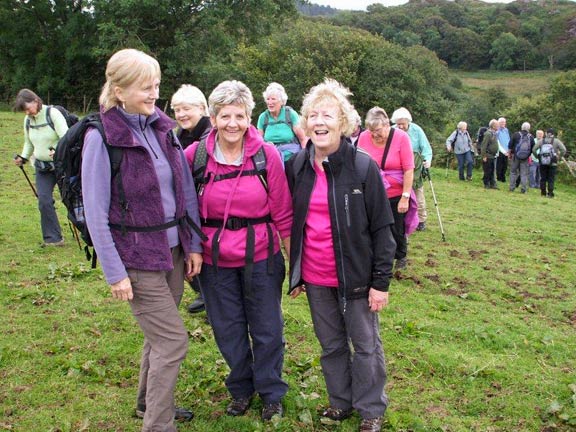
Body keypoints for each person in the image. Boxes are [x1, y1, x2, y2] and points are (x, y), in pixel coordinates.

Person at [81, 48, 203, 431]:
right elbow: (96, 211)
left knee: (157, 336)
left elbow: (184, 190)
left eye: (156, 86)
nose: (154, 94)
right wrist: (114, 273)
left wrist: (193, 245)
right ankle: (157, 424)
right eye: (144, 87)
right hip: (136, 258)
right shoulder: (101, 138)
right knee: (172, 341)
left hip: (173, 252)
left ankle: (144, 404)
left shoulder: (162, 129)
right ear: (118, 90)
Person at [286, 79, 395, 432]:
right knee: (331, 345)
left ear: (343, 123)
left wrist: (381, 283)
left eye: (327, 115)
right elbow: (294, 222)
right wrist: (297, 271)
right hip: (317, 277)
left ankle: (371, 409)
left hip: (358, 279)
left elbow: (382, 229)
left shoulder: (362, 168)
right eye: (313, 115)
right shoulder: (298, 166)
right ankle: (341, 402)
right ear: (305, 122)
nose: (319, 122)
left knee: (365, 346)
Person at [183, 80, 292, 421]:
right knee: (228, 329)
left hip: (261, 256)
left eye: (240, 116)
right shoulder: (194, 157)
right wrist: (191, 249)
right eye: (225, 115)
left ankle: (271, 392)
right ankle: (241, 389)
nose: (233, 123)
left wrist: (297, 265)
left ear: (249, 118)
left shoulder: (267, 155)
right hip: (214, 261)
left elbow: (284, 211)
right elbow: (183, 210)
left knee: (267, 328)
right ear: (212, 118)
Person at [358, 107, 418, 271]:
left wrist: (405, 196)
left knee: (395, 228)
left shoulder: (401, 138)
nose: (374, 135)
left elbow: (408, 169)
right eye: (370, 131)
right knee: (371, 226)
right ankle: (375, 256)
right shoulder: (363, 137)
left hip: (396, 192)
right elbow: (358, 162)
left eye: (377, 130)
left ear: (386, 124)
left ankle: (400, 256)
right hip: (371, 192)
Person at [171, 84, 212, 314]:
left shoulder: (209, 135)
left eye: (186, 109)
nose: (181, 115)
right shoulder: (181, 135)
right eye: (177, 110)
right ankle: (205, 294)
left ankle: (211, 299)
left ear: (202, 108)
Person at [13, 89, 68, 247]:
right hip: (42, 168)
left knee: (70, 200)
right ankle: (53, 238)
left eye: (28, 108)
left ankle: (89, 232)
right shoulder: (28, 120)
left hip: (61, 166)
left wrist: (57, 152)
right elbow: (29, 142)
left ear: (36, 101)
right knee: (44, 201)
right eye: (24, 110)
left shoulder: (53, 114)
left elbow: (66, 137)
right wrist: (23, 157)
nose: (27, 112)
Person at [391, 107, 432, 231]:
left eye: (403, 124)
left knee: (418, 192)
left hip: (415, 166)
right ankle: (400, 218)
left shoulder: (417, 130)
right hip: (397, 167)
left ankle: (421, 220)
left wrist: (427, 160)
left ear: (408, 121)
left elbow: (426, 147)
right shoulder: (392, 130)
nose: (400, 127)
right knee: (399, 193)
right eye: (398, 124)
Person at [257, 82, 306, 161]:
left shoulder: (290, 114)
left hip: (292, 158)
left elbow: (303, 139)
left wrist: (305, 157)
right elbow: (258, 141)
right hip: (270, 158)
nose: (270, 102)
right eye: (268, 99)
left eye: (273, 99)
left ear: (281, 101)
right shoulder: (263, 117)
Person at [532, 128, 566, 198]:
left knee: (543, 178)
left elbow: (534, 149)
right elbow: (563, 150)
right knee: (551, 178)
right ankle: (550, 193)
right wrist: (558, 157)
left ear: (546, 133)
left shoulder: (541, 140)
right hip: (553, 163)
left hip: (543, 162)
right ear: (553, 134)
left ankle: (543, 193)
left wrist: (538, 157)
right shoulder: (556, 141)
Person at [508, 122, 535, 194]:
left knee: (513, 172)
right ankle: (523, 189)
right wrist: (528, 155)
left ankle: (511, 187)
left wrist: (509, 154)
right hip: (525, 158)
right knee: (524, 173)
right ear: (529, 128)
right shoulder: (531, 137)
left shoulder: (516, 134)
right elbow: (533, 148)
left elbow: (510, 145)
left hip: (515, 156)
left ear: (521, 127)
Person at [480, 119, 500, 189]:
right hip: (488, 155)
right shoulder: (488, 134)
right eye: (497, 125)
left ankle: (492, 184)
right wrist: (484, 156)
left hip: (493, 155)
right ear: (493, 126)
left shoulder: (494, 133)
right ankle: (486, 184)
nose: (498, 126)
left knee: (492, 170)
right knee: (487, 170)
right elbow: (484, 146)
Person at [496, 117, 511, 183]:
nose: (503, 123)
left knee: (505, 165)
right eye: (501, 122)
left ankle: (503, 177)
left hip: (507, 150)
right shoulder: (497, 131)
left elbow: (508, 139)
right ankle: (499, 177)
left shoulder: (506, 130)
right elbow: (497, 141)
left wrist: (509, 149)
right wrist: (503, 151)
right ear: (498, 123)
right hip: (500, 150)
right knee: (499, 164)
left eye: (504, 122)